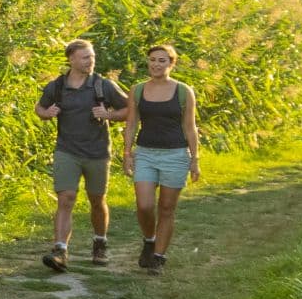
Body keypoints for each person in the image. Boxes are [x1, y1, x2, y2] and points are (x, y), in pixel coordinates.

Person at [36, 39, 128, 272]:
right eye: (86, 57)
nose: (91, 61)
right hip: (66, 150)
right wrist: (47, 113)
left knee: (97, 200)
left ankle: (100, 242)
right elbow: (39, 108)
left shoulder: (102, 85)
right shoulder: (56, 86)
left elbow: (129, 108)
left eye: (93, 56)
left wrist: (108, 114)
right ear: (72, 59)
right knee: (65, 198)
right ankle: (60, 251)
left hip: (97, 152)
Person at [123, 42, 201, 273]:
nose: (156, 64)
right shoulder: (137, 90)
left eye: (162, 60)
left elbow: (190, 127)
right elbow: (131, 124)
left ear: (171, 64)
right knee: (144, 205)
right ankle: (149, 240)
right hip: (145, 153)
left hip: (175, 155)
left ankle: (158, 257)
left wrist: (194, 159)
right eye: (152, 60)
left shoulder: (183, 91)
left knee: (166, 208)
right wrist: (127, 154)